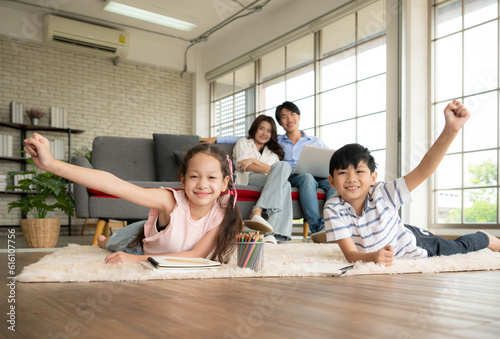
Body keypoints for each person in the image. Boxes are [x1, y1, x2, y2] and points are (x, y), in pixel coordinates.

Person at [324, 100, 500, 266]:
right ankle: (424, 231)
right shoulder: (332, 208)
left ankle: (486, 238)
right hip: (393, 230)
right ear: (331, 181)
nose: (351, 178)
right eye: (342, 173)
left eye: (359, 171)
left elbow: (423, 170)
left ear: (373, 178)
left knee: (458, 248)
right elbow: (351, 255)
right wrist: (372, 257)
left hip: (417, 243)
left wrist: (451, 129)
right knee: (402, 228)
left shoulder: (383, 193)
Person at [23, 133, 243, 264]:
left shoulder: (223, 210)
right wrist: (50, 164)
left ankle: (111, 239)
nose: (203, 184)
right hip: (142, 243)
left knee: (124, 248)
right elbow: (114, 184)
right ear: (183, 181)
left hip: (156, 248)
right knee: (113, 244)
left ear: (224, 183)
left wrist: (134, 262)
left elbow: (195, 255)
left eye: (212, 177)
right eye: (195, 176)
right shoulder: (169, 201)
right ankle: (104, 240)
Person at [202, 101, 336, 237]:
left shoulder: (315, 141)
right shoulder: (277, 141)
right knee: (302, 178)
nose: (289, 119)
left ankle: (331, 225)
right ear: (280, 122)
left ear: (299, 116)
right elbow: (244, 139)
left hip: (318, 175)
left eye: (292, 114)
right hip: (296, 176)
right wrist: (216, 138)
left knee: (335, 184)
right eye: (284, 116)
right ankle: (316, 227)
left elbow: (330, 158)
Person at [233, 115, 293, 243]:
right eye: (261, 128)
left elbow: (275, 171)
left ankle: (259, 213)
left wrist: (254, 161)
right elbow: (246, 166)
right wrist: (271, 169)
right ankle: (276, 233)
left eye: (269, 131)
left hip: (268, 182)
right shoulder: (243, 142)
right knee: (283, 173)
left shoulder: (273, 152)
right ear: (255, 129)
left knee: (285, 183)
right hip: (248, 179)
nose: (264, 133)